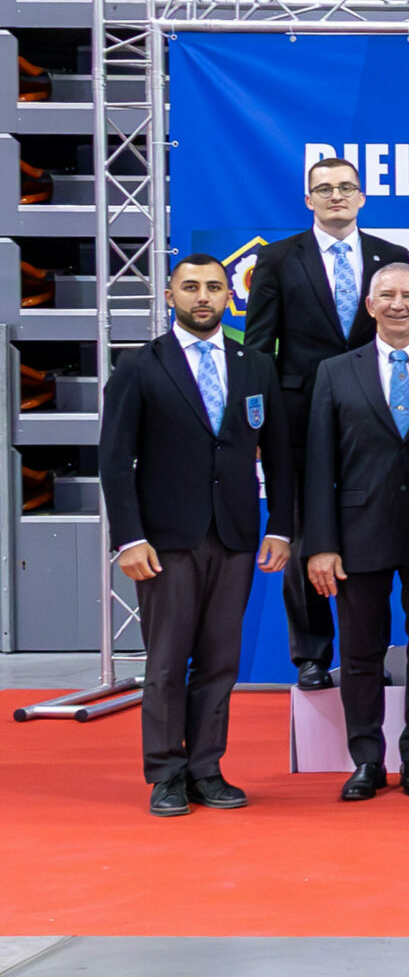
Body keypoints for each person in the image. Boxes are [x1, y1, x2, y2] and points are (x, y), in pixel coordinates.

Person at [103, 255, 294, 817]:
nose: (203, 296)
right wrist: (129, 539)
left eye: (214, 287)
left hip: (235, 534)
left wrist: (282, 527)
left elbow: (279, 455)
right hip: (164, 540)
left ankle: (206, 768)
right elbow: (114, 460)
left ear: (230, 297)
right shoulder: (140, 365)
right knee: (167, 661)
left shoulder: (255, 365)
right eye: (190, 287)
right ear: (170, 296)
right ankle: (166, 774)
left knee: (220, 661)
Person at [301, 264, 409, 802]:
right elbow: (318, 464)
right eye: (387, 295)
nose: (398, 304)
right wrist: (321, 544)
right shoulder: (334, 372)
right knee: (361, 652)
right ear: (369, 305)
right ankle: (367, 760)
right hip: (357, 533)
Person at [242, 154, 405, 692]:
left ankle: (366, 653)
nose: (337, 195)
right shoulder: (278, 258)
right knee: (303, 536)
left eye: (347, 187)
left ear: (362, 197)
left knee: (372, 536)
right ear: (308, 199)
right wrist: (259, 427)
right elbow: (259, 351)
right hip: (297, 419)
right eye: (326, 188)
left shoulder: (392, 257)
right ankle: (311, 655)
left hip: (373, 416)